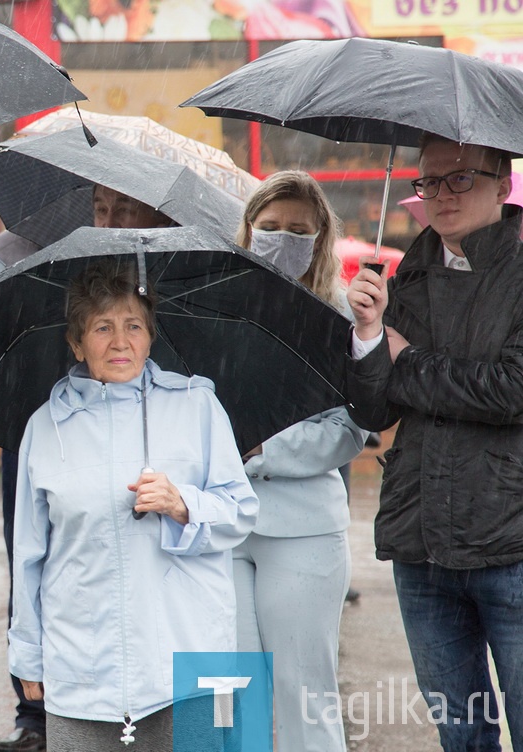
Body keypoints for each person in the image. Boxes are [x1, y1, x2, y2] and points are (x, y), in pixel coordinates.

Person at [8, 261, 258, 751]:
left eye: (133, 326)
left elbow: (241, 511)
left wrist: (183, 503)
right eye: (102, 327)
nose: (120, 342)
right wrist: (27, 653)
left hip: (188, 656)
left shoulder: (196, 406)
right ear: (76, 343)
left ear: (150, 337)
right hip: (82, 658)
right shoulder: (45, 427)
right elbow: (29, 553)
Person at [0, 190, 172, 752]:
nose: (110, 221)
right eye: (102, 209)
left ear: (153, 213)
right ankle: (36, 710)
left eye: (124, 209)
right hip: (39, 422)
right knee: (38, 554)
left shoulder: (167, 267)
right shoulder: (28, 252)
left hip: (134, 420)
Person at [347, 134, 523, 749]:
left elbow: (511, 392)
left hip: (511, 541)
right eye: (430, 182)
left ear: (503, 184)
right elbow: (375, 410)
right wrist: (369, 337)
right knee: (461, 736)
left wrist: (409, 361)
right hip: (420, 543)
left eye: (461, 179)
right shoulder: (409, 272)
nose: (441, 195)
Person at [233, 171, 368, 751]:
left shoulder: (340, 319)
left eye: (297, 230)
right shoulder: (214, 305)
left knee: (303, 696)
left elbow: (349, 433)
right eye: (269, 228)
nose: (281, 239)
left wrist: (266, 450)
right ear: (247, 229)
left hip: (304, 531)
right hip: (216, 529)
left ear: (320, 239)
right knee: (216, 694)